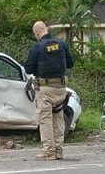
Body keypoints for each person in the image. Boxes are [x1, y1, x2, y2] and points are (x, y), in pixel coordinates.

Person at [24, 21, 74, 160]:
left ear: (36, 32)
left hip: (46, 89)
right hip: (61, 88)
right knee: (58, 119)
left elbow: (28, 68)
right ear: (46, 29)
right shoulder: (61, 44)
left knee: (45, 119)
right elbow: (71, 63)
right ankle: (59, 151)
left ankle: (48, 152)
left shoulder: (38, 47)